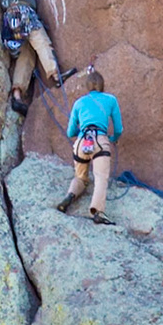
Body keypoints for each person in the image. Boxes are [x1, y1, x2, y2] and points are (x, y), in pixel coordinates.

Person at [58, 68, 123, 224]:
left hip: (81, 142)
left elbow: (70, 132)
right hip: (100, 141)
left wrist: (80, 130)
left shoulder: (79, 102)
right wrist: (113, 138)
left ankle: (70, 195)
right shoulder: (110, 100)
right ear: (102, 85)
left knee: (81, 177)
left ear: (87, 86)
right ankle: (97, 211)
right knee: (100, 177)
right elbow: (119, 128)